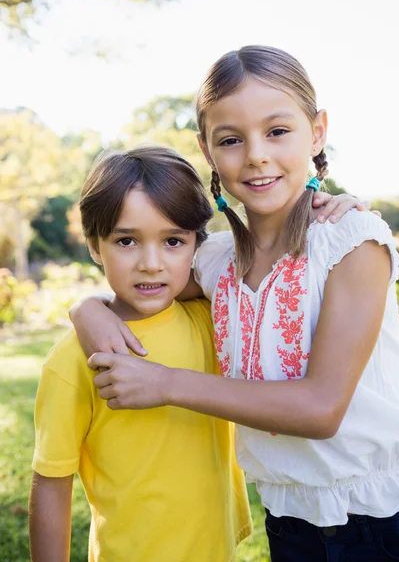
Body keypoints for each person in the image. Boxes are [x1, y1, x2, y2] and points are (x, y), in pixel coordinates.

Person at [72, 46, 399, 562]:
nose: (256, 155)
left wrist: (165, 384)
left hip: (377, 520)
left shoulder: (351, 242)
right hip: (288, 515)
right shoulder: (216, 262)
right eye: (230, 139)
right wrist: (86, 307)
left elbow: (321, 410)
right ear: (207, 150)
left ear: (316, 132)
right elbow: (145, 286)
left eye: (277, 131)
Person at [29, 145, 253, 562]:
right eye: (127, 241)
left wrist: (331, 204)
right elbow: (52, 481)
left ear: (195, 247)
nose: (151, 264)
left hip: (214, 547)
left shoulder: (212, 316)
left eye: (173, 241)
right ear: (96, 247)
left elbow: (278, 250)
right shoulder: (74, 359)